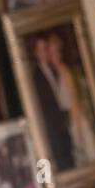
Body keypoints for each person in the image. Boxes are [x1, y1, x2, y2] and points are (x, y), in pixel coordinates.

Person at [46, 31, 95, 166]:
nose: (53, 56)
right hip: (69, 122)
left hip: (76, 121)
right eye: (51, 53)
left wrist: (77, 129)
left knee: (88, 154)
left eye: (55, 53)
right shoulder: (56, 74)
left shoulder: (65, 72)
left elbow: (74, 101)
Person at [27, 35, 74, 171]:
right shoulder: (36, 76)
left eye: (45, 48)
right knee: (62, 161)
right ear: (36, 53)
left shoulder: (53, 69)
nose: (44, 52)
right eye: (40, 50)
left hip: (62, 123)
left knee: (69, 157)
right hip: (53, 127)